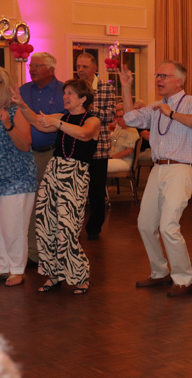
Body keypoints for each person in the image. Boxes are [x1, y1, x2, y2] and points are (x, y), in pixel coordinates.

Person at [120, 60, 192, 297]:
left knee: (168, 226)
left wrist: (171, 113)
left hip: (181, 168)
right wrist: (126, 87)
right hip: (158, 169)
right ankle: (160, 272)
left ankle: (186, 279)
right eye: (157, 75)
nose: (158, 79)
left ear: (179, 81)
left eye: (164, 75)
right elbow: (130, 119)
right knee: (145, 224)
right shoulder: (156, 106)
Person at [13, 79, 100, 295]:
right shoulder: (62, 117)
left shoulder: (93, 120)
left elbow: (83, 134)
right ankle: (54, 275)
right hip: (54, 170)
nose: (65, 96)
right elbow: (37, 121)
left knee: (68, 228)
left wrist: (57, 123)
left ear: (83, 98)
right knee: (45, 224)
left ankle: (80, 276)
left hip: (75, 175)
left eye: (70, 93)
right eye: (65, 93)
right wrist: (22, 105)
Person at [19, 52, 65, 269]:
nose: (32, 68)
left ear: (51, 69)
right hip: (25, 154)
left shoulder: (65, 91)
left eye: (37, 65)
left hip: (52, 153)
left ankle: (51, 252)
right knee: (27, 202)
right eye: (31, 64)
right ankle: (31, 252)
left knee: (48, 204)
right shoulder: (23, 90)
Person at [0, 67, 35, 287]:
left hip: (18, 176)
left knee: (14, 226)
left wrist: (7, 124)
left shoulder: (16, 111)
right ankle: (3, 266)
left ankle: (16, 269)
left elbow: (25, 144)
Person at [76, 53, 116, 240]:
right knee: (76, 190)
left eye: (84, 66)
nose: (81, 70)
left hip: (99, 149)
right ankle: (73, 226)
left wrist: (91, 108)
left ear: (94, 69)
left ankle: (94, 227)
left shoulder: (106, 88)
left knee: (97, 191)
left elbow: (109, 117)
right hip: (76, 146)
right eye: (78, 66)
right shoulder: (72, 87)